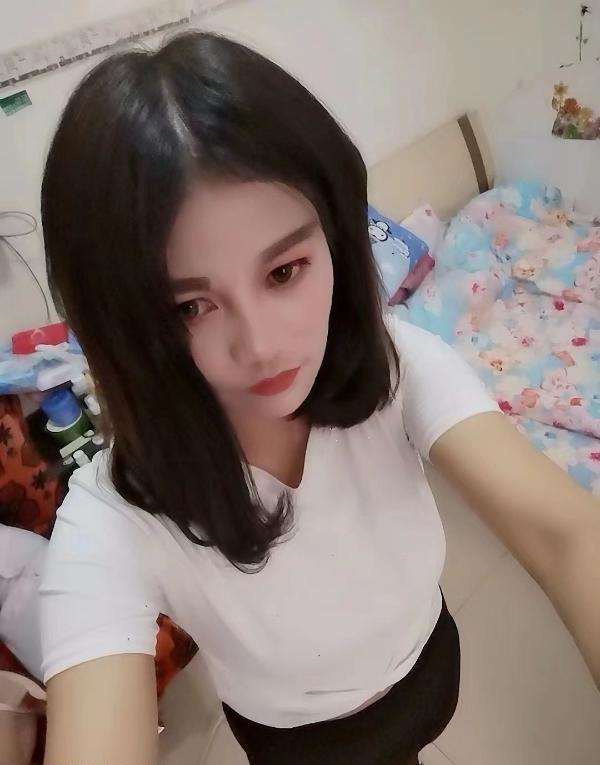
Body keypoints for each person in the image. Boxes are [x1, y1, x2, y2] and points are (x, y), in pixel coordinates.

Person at [35, 30, 554, 765]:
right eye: (189, 307)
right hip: (295, 742)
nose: (261, 345)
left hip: (426, 669)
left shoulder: (396, 363)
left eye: (284, 272)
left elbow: (567, 535)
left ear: (335, 236)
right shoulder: (114, 516)